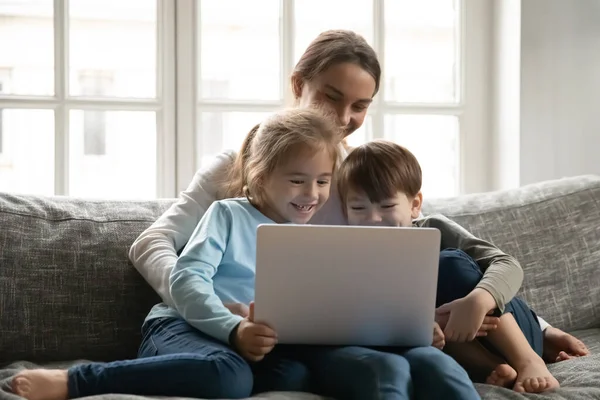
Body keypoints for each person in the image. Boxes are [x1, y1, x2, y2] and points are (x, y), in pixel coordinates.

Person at [127, 29, 589, 366]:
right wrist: (209, 303)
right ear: (297, 86)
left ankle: (515, 354)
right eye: (329, 97)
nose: (344, 117)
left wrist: (543, 327)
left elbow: (439, 255)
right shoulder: (240, 168)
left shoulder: (359, 175)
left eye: (360, 106)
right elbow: (150, 244)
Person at [12, 108, 480, 400]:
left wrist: (413, 326)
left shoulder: (320, 226)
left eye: (321, 182)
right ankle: (81, 380)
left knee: (301, 373)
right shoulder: (228, 214)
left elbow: (343, 301)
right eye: (296, 180)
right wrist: (232, 327)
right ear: (259, 177)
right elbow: (186, 281)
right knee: (227, 378)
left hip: (267, 342)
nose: (311, 194)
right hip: (188, 328)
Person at [333, 139, 587, 393]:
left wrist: (478, 301)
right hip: (459, 343)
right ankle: (496, 367)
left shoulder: (435, 227)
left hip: (509, 328)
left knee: (449, 263)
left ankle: (529, 360)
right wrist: (420, 322)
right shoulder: (352, 254)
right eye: (358, 208)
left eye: (387, 206)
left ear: (414, 205)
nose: (373, 219)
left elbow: (507, 264)